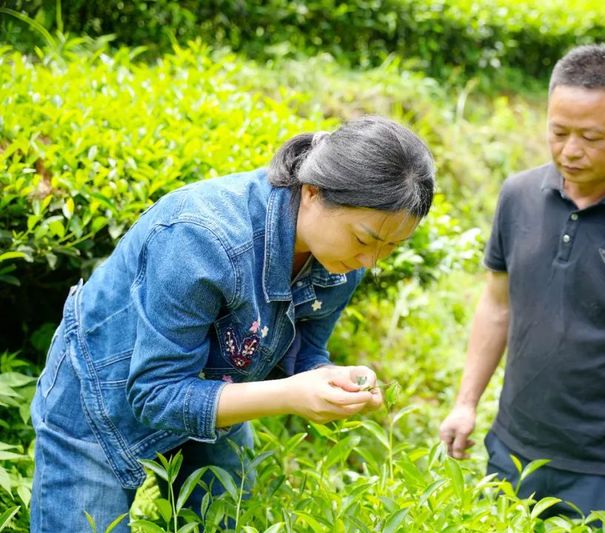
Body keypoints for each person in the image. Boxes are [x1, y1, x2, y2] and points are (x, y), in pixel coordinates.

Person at [30, 115, 435, 532]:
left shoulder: (344, 259)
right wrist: (290, 395)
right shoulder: (202, 237)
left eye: (390, 247)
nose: (370, 261)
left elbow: (304, 352)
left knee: (227, 519)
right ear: (313, 191)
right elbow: (156, 393)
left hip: (216, 393)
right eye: (366, 240)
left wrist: (330, 377)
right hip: (103, 394)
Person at [439, 44, 605, 532]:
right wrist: (466, 402)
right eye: (558, 131)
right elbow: (496, 306)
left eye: (591, 137)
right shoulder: (517, 195)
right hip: (512, 451)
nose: (569, 151)